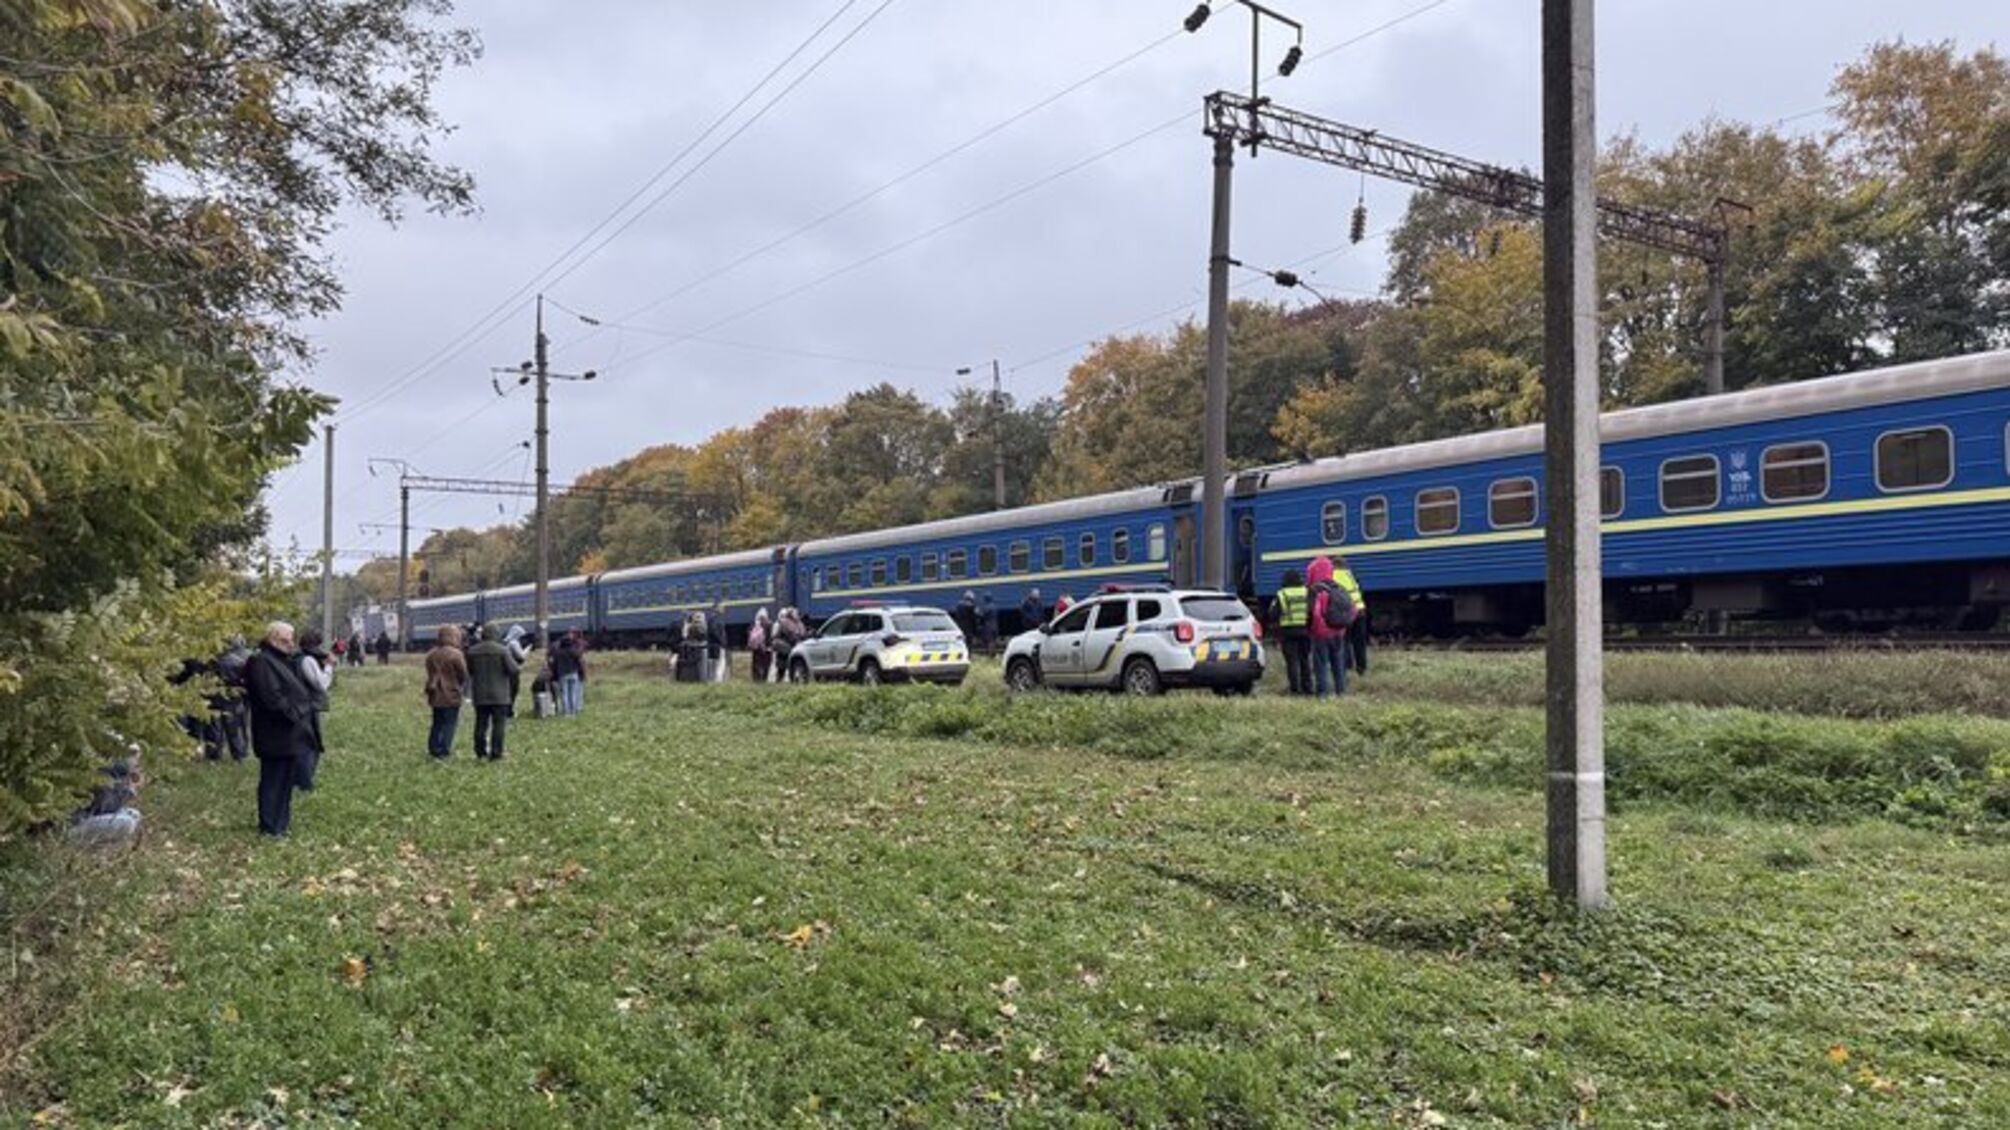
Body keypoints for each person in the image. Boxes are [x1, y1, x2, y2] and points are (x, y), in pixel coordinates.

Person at [244, 622, 316, 836]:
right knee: (273, 780)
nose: (291, 644)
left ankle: (279, 824)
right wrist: (294, 714)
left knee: (284, 782)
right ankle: (270, 826)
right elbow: (272, 698)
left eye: (291, 640)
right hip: (275, 733)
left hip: (288, 734)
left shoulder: (279, 660)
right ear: (272, 639)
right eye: (286, 640)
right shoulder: (261, 661)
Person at [464, 625, 521, 762]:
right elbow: (514, 669)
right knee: (499, 725)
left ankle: (480, 752)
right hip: (500, 695)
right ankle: (496, 753)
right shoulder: (502, 650)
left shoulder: (472, 651)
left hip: (480, 694)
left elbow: (470, 671)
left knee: (481, 724)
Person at [1305, 556, 1354, 699]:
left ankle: (1322, 695)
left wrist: (1309, 629)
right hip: (1338, 632)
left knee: (1321, 664)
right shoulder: (1339, 587)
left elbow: (1311, 612)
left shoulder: (1315, 590)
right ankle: (1341, 692)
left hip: (1320, 633)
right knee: (1338, 663)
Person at [294, 628, 334, 791]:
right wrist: (329, 667)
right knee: (310, 746)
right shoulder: (308, 660)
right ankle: (304, 783)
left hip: (300, 706)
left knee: (305, 745)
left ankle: (300, 780)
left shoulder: (297, 658)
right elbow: (321, 684)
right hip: (307, 707)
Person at [423, 625, 469, 758]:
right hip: (451, 694)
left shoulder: (431, 654)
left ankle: (433, 748)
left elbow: (430, 672)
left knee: (437, 722)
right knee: (450, 723)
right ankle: (445, 749)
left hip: (435, 694)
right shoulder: (456, 654)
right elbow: (463, 674)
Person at [1268, 567, 1313, 696]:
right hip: (1305, 631)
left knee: (1292, 662)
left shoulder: (1282, 594)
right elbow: (1312, 611)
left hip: (1288, 632)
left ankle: (1295, 690)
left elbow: (1273, 614)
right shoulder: (1307, 591)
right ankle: (1308, 689)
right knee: (1304, 660)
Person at [1332, 555, 1370, 676]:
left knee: (1344, 641)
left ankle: (1347, 666)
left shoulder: (1333, 576)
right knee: (1359, 642)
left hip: (1346, 612)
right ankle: (1362, 668)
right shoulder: (1351, 575)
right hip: (1360, 611)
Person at [216, 636, 251, 761]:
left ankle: (215, 753)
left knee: (216, 727)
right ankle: (240, 754)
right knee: (236, 728)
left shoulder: (213, 661)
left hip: (215, 697)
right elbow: (245, 681)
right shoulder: (239, 662)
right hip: (234, 698)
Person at [550, 630, 586, 714]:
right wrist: (582, 673)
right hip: (573, 674)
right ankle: (573, 711)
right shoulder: (574, 652)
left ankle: (566, 712)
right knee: (573, 693)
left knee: (564, 694)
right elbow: (579, 662)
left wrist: (554, 676)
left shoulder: (558, 653)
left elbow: (554, 664)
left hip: (563, 675)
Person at [503, 625, 532, 716]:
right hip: (514, 669)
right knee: (513, 690)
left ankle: (507, 710)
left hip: (507, 669)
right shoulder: (513, 643)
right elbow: (521, 656)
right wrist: (528, 649)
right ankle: (509, 711)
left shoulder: (506, 642)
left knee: (509, 690)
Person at [675, 613, 707, 684]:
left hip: (691, 648)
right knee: (699, 666)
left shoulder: (689, 627)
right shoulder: (701, 627)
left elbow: (684, 636)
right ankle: (699, 679)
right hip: (698, 649)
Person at [749, 609, 774, 683]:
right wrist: (769, 645)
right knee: (766, 664)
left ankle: (756, 679)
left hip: (757, 648)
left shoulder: (754, 624)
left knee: (757, 664)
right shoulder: (769, 624)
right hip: (766, 647)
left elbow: (750, 635)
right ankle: (764, 679)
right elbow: (771, 636)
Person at [705, 606, 728, 682]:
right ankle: (717, 681)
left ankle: (712, 680)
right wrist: (722, 642)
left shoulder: (710, 620)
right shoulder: (717, 620)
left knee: (712, 665)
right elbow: (715, 632)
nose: (724, 610)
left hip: (712, 645)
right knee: (719, 665)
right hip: (717, 646)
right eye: (722, 609)